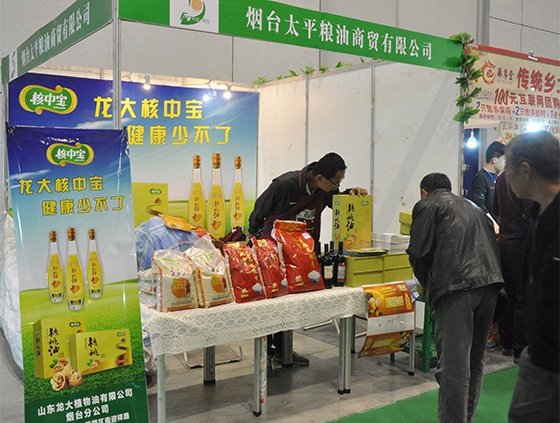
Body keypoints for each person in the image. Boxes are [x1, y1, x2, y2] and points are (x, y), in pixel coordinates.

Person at [247, 152, 368, 374]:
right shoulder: (285, 184)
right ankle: (264, 353)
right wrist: (253, 237)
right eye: (336, 183)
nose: (337, 187)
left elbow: (337, 201)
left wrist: (351, 193)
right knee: (272, 302)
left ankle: (283, 350)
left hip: (301, 255)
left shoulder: (324, 189)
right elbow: (260, 209)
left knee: (290, 304)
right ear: (320, 177)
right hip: (274, 252)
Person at [406, 172, 504, 423]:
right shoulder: (474, 208)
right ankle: (465, 418)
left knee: (453, 368)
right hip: (491, 286)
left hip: (456, 288)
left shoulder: (427, 205)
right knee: (474, 362)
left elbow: (418, 253)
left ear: (424, 192)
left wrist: (427, 285)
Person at [505, 131, 559, 423]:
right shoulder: (538, 215)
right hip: (539, 355)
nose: (505, 176)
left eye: (508, 168)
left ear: (525, 170)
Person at [492, 171, 533, 362]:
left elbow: (495, 208)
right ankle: (520, 349)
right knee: (524, 297)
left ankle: (507, 344)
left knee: (508, 296)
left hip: (504, 243)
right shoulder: (526, 175)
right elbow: (532, 208)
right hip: (523, 244)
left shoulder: (502, 177)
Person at [471, 141, 506, 233]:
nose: (505, 163)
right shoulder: (480, 177)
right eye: (503, 159)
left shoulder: (497, 177)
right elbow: (479, 205)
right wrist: (494, 224)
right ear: (494, 160)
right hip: (488, 228)